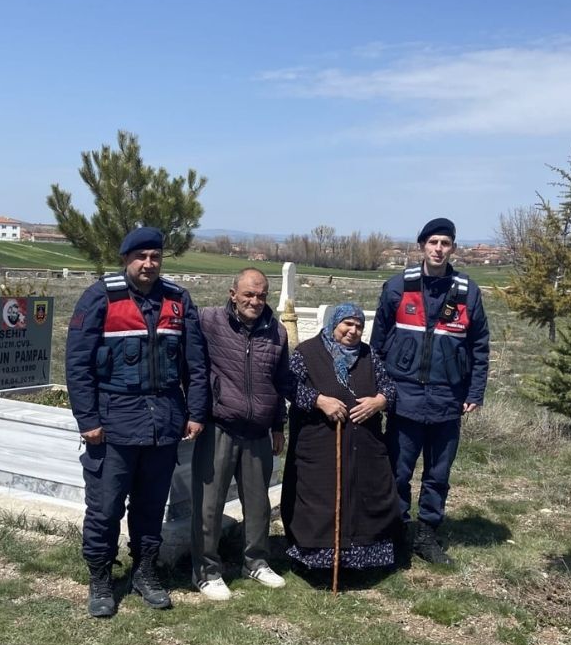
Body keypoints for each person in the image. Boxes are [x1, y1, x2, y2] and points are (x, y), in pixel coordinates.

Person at [65, 226, 209, 618]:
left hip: (163, 422)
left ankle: (145, 572)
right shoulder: (100, 297)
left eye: (155, 257)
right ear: (126, 259)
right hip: (113, 423)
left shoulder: (178, 301)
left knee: (150, 506)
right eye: (140, 256)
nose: (149, 264)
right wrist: (87, 419)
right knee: (105, 507)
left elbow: (196, 364)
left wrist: (196, 412)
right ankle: (100, 578)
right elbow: (77, 365)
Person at [371, 217, 490, 565]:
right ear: (422, 245)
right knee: (398, 473)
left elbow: (479, 347)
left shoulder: (467, 292)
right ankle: (396, 533)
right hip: (404, 398)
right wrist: (379, 390)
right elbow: (377, 346)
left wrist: (475, 392)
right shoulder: (398, 287)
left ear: (453, 248)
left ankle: (427, 534)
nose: (439, 249)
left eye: (446, 243)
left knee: (438, 475)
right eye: (433, 242)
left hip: (447, 400)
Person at [192, 268, 296, 600]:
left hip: (258, 430)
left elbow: (280, 382)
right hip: (220, 424)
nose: (255, 301)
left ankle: (255, 562)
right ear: (232, 293)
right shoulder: (209, 321)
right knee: (210, 503)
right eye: (248, 294)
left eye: (261, 295)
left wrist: (279, 424)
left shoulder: (276, 332)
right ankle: (206, 571)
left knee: (258, 502)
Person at [281, 303, 401, 574]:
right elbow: (289, 385)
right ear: (334, 323)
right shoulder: (308, 353)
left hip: (364, 445)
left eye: (359, 325)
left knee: (364, 499)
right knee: (321, 503)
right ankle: (318, 562)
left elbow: (390, 388)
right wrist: (319, 400)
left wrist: (379, 401)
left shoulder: (368, 355)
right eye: (347, 323)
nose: (353, 330)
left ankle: (364, 562)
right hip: (321, 446)